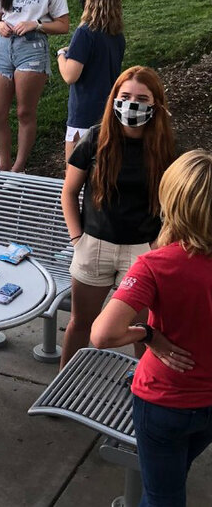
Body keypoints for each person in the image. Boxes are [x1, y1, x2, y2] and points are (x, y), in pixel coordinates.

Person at [91, 149, 212, 507]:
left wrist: (147, 334)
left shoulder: (154, 266)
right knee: (171, 478)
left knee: (163, 496)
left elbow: (102, 334)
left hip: (163, 401)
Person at [59, 66, 177, 368]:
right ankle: (61, 386)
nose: (132, 103)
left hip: (142, 253)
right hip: (93, 246)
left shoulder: (166, 149)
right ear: (114, 99)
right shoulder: (96, 139)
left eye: (142, 97)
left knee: (140, 332)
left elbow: (175, 206)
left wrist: (156, 247)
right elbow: (69, 192)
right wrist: (77, 239)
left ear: (155, 103)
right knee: (80, 323)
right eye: (125, 96)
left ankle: (143, 390)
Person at [0, 0, 69, 180]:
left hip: (32, 48)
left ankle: (19, 170)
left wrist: (36, 24)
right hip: (3, 47)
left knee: (24, 112)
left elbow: (63, 25)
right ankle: (3, 165)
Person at [57, 0, 125, 163]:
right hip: (107, 112)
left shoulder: (85, 33)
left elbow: (70, 75)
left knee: (74, 172)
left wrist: (61, 55)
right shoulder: (117, 36)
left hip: (83, 114)